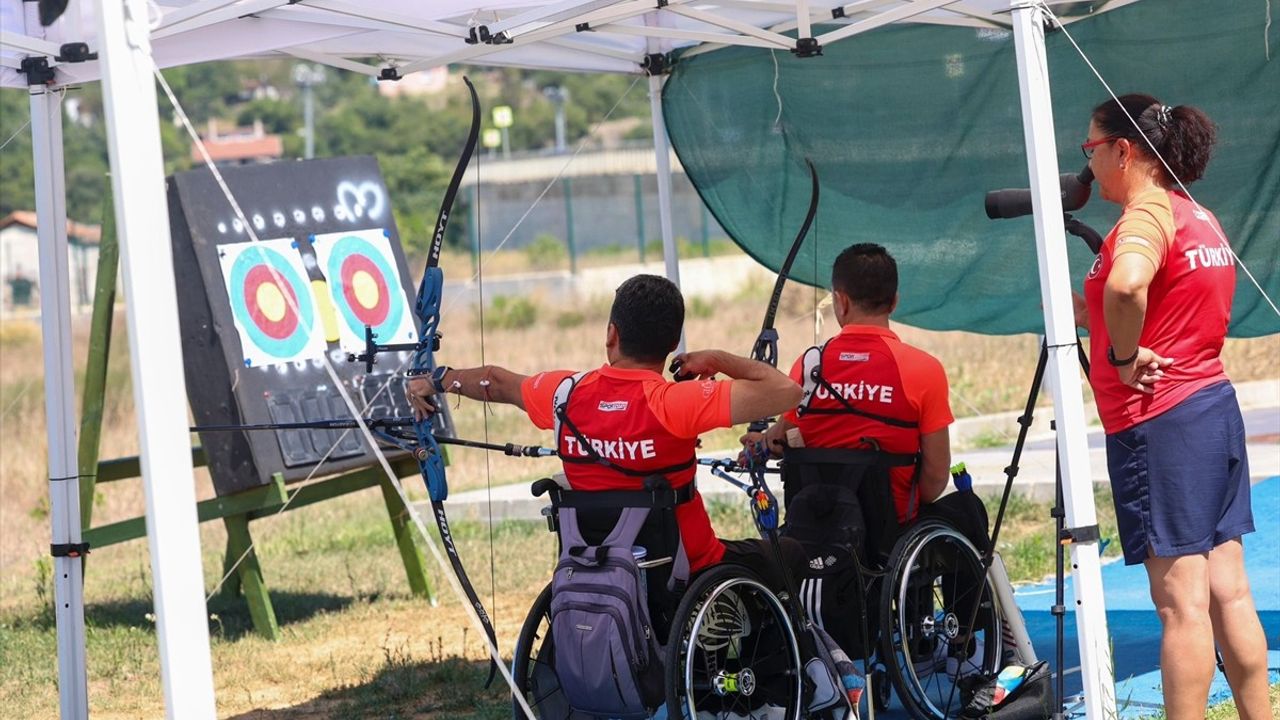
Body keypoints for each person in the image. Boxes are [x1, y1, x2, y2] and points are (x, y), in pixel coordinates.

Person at [406, 273, 806, 590]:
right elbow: (787, 391)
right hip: (689, 570)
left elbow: (497, 381)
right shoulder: (675, 403)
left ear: (612, 334)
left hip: (595, 566)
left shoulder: (564, 394)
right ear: (671, 344)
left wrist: (438, 379)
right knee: (790, 554)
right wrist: (717, 357)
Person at [1076, 93, 1269, 720]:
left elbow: (1131, 284)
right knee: (1229, 592)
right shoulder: (1198, 215)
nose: (1089, 165)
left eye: (1091, 151)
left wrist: (1122, 357)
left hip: (1162, 421)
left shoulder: (1147, 214)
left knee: (1180, 604)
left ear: (1123, 151)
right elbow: (1156, 295)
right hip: (1211, 406)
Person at [746, 243, 959, 530]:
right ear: (894, 301)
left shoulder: (807, 366)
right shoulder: (924, 370)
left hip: (814, 527)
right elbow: (935, 477)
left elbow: (785, 436)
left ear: (841, 301)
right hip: (892, 530)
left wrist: (760, 444)